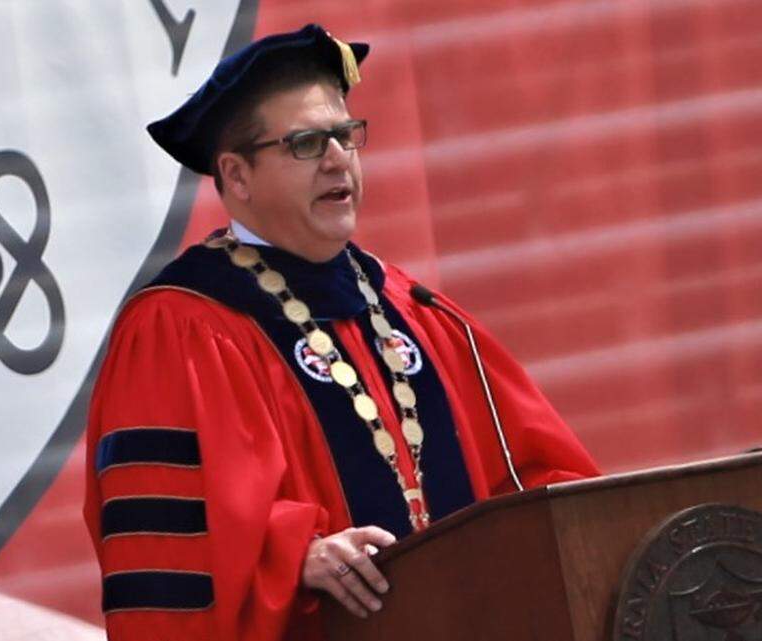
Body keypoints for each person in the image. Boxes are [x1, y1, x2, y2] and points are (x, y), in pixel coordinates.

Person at [83, 24, 599, 641]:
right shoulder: (180, 328)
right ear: (237, 176)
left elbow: (541, 484)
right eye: (306, 143)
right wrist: (291, 557)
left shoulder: (413, 310)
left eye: (346, 135)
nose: (337, 159)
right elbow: (170, 556)